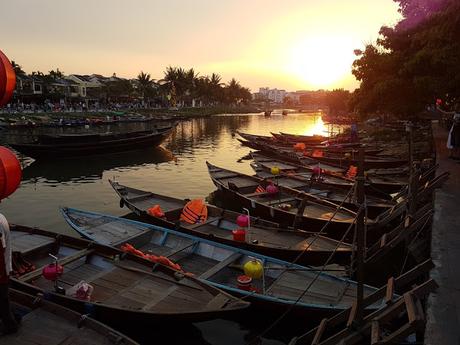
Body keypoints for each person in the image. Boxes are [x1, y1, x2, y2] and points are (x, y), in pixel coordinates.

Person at [0, 213, 18, 335]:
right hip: (4, 269)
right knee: (4, 299)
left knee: (2, 300)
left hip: (1, 271)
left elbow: (0, 252)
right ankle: (15, 317)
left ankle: (10, 326)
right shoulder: (1, 216)